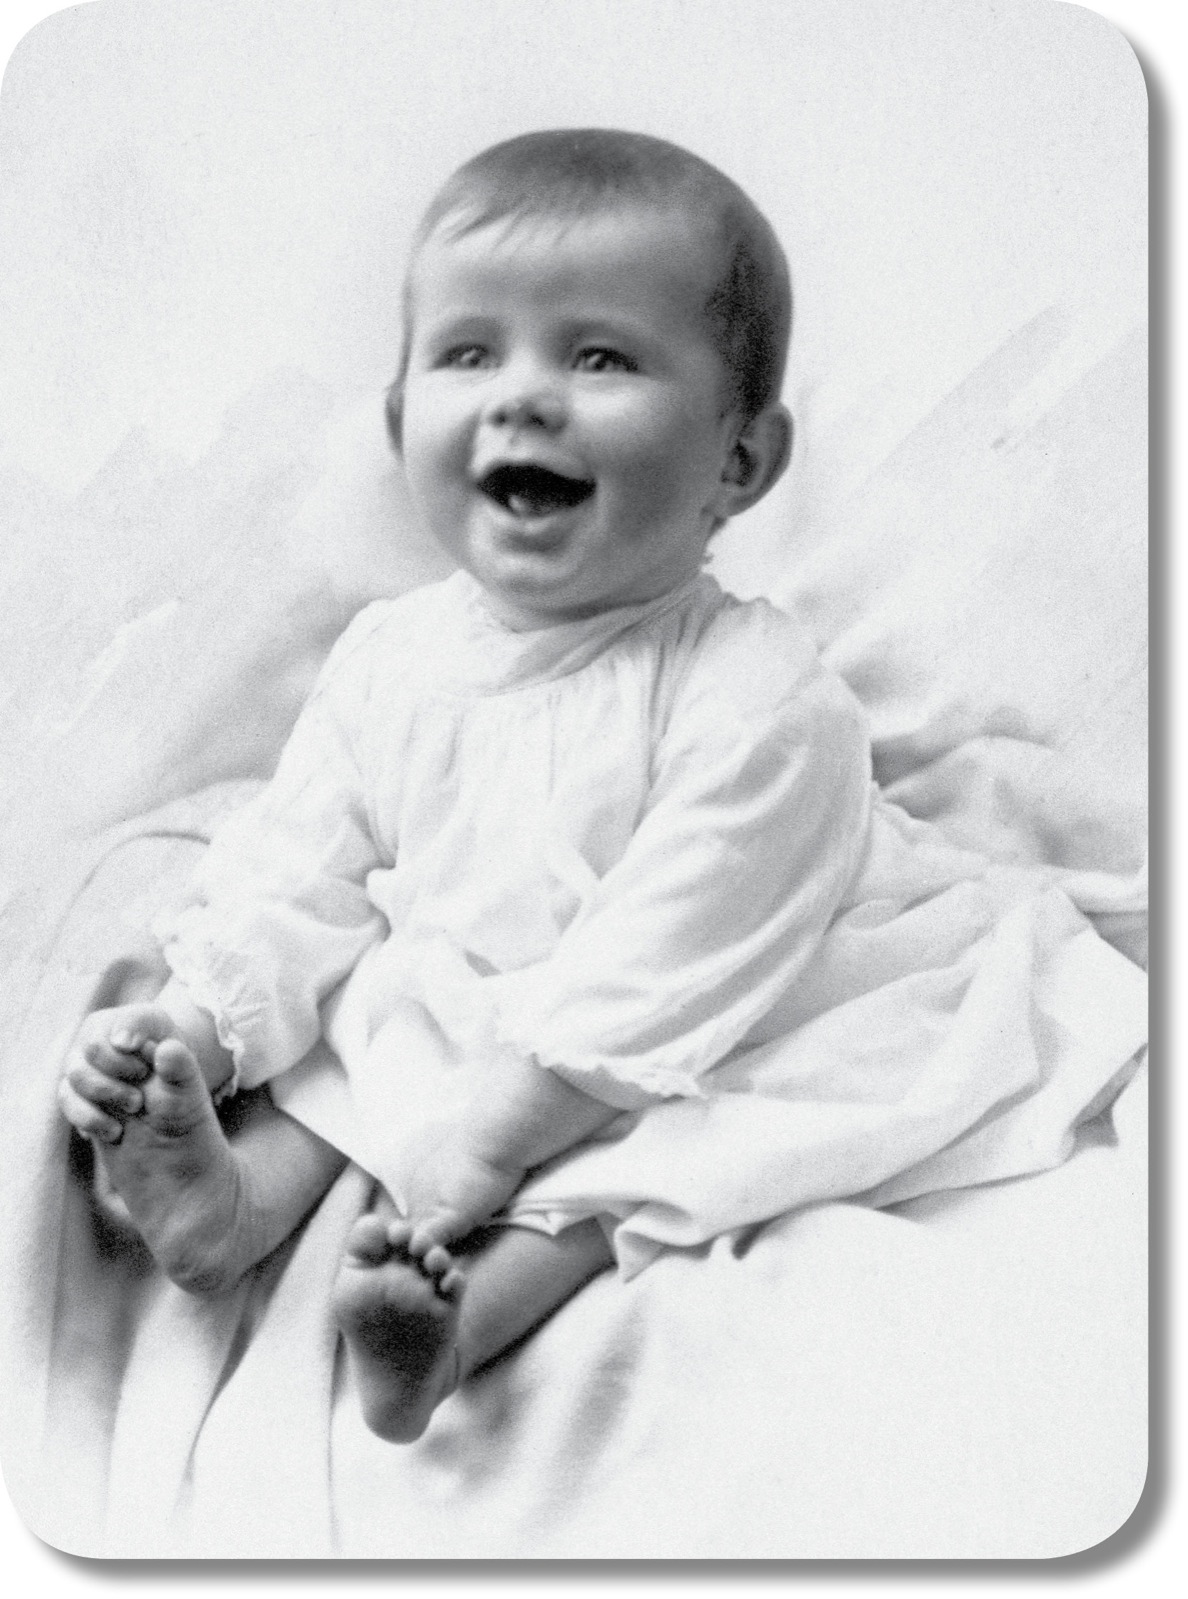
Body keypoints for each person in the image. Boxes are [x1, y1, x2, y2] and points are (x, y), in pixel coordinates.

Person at [58, 129, 1142, 1445]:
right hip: (482, 981)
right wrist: (198, 1025)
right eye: (471, 353)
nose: (525, 397)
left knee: (658, 1150)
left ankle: (448, 1331)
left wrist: (494, 1136)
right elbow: (299, 862)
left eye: (600, 357)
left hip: (714, 1003)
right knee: (356, 1028)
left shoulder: (758, 692)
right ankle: (219, 1209)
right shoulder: (394, 658)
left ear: (740, 461)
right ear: (404, 424)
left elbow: (676, 946)